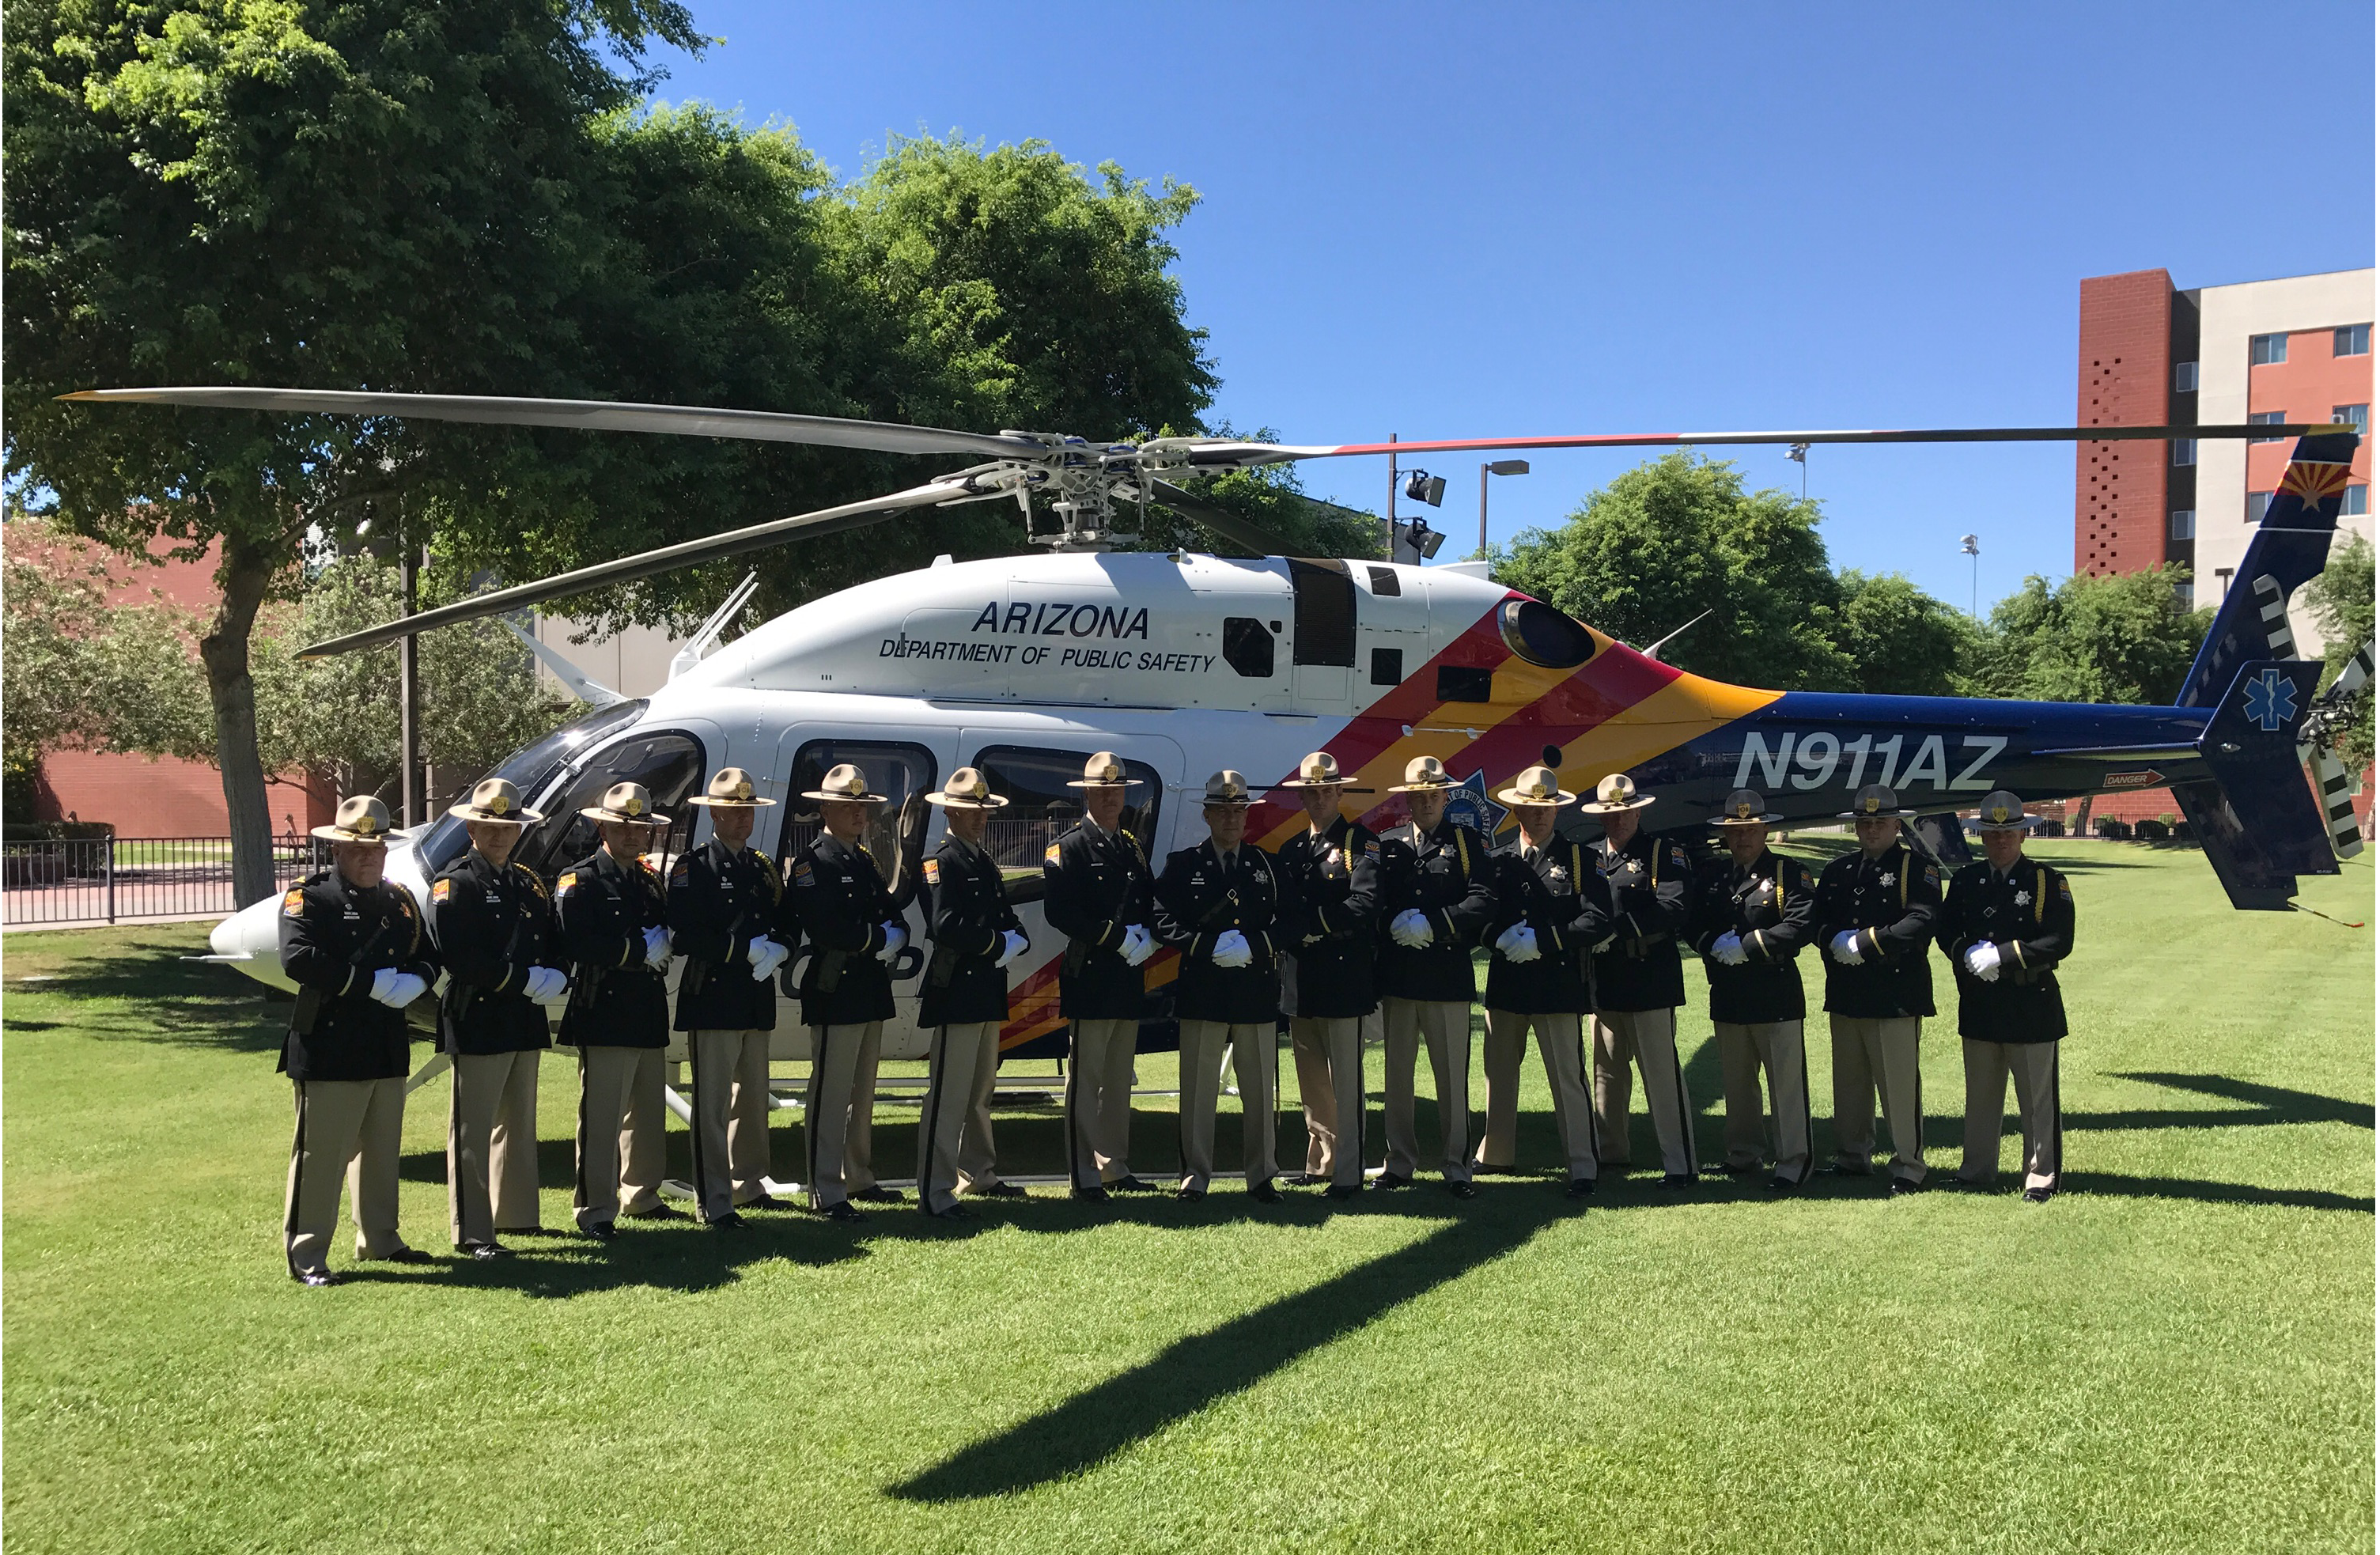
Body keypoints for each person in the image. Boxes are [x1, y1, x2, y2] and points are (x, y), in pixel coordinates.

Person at [277, 795, 440, 1285]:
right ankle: (307, 1254)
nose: (370, 856)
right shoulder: (310, 897)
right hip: (331, 1044)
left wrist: (418, 981)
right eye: (358, 849)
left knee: (381, 1149)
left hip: (385, 1043)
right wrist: (368, 983)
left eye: (377, 848)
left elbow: (429, 954)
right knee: (321, 1155)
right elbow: (298, 958)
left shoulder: (397, 900)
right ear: (337, 851)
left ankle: (381, 1238)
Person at [430, 778, 563, 1258]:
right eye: (490, 825)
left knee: (519, 1122)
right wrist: (520, 980)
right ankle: (472, 1231)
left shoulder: (527, 883)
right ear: (471, 828)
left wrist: (556, 975)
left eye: (509, 826)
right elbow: (460, 956)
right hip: (480, 1017)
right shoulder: (455, 884)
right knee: (473, 1129)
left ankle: (518, 1217)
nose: (501, 834)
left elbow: (553, 942)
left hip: (523, 1018)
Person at [666, 767, 793, 1230]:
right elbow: (684, 935)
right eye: (734, 812)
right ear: (715, 813)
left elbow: (785, 919)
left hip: (754, 995)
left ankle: (750, 1184)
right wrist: (744, 949)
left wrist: (780, 947)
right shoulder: (693, 867)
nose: (743, 820)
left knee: (754, 1099)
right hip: (713, 996)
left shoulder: (760, 867)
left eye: (749, 812)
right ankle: (713, 1199)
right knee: (713, 1104)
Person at [555, 782, 684, 1239]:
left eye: (641, 827)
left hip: (646, 1008)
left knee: (647, 1112)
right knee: (602, 1115)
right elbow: (576, 942)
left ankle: (642, 1195)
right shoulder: (581, 879)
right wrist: (634, 951)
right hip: (603, 1008)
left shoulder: (648, 881)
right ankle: (594, 1208)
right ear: (602, 826)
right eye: (623, 825)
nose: (634, 834)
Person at [1475, 766, 1611, 1196]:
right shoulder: (1496, 860)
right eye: (1530, 808)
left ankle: (1582, 1166)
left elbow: (1598, 918)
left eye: (1546, 808)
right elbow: (1477, 914)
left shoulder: (1580, 860)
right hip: (1507, 984)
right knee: (1498, 1074)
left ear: (1557, 810)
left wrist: (1547, 941)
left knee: (1568, 1077)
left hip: (1556, 986)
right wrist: (1497, 938)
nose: (1539, 816)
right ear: (1516, 809)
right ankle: (1496, 1156)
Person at [1937, 791, 2075, 1203]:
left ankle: (2041, 1176)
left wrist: (2004, 955)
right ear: (1980, 836)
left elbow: (2059, 941)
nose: (2000, 841)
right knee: (1980, 1095)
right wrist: (1966, 953)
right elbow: (1945, 931)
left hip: (2029, 1002)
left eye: (2009, 833)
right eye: (1992, 834)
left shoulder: (2046, 881)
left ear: (2022, 835)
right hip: (1980, 1003)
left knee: (2036, 1100)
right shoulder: (1966, 880)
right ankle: (1976, 1170)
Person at [1153, 770, 1284, 1202]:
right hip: (1203, 989)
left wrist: (1256, 945)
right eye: (1223, 812)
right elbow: (1159, 915)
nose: (1232, 820)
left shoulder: (1266, 865)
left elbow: (1291, 919)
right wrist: (1202, 945)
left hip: (1255, 989)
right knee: (1197, 1090)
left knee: (1260, 1089)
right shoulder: (1183, 865)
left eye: (1239, 811)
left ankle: (1262, 1175)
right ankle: (1195, 1177)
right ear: (1207, 816)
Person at [787, 763, 907, 1221]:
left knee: (862, 1090)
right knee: (831, 1091)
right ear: (826, 808)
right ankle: (825, 1187)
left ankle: (858, 1174)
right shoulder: (811, 861)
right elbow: (825, 926)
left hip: (869, 985)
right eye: (848, 805)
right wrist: (879, 939)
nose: (859, 813)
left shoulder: (862, 858)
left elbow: (887, 906)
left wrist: (894, 930)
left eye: (863, 805)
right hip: (836, 987)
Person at [1375, 755, 1496, 1198]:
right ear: (1407, 798)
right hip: (1401, 975)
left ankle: (1457, 1165)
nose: (1426, 802)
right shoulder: (1387, 845)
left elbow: (1484, 899)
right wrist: (1395, 923)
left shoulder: (1467, 843)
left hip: (1447, 974)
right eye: (1418, 795)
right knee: (1397, 1077)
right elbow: (1373, 899)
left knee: (1451, 1076)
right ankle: (1400, 1163)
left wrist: (1438, 923)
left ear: (1445, 795)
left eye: (1433, 794)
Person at [1042, 751, 1160, 1201]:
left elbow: (1147, 899)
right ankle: (1083, 1172)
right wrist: (1116, 939)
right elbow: (1060, 912)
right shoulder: (1066, 847)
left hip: (1127, 977)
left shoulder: (1130, 846)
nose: (1111, 798)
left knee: (1117, 1076)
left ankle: (1113, 1164)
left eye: (1118, 791)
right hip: (1091, 974)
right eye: (1103, 790)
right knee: (1086, 1078)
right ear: (1088, 793)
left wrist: (1148, 936)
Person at [1814, 782, 1942, 1197]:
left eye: (1880, 822)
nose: (1871, 830)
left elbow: (1922, 919)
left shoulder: (1916, 868)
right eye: (1864, 823)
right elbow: (1816, 919)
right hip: (1848, 991)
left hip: (1895, 991)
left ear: (1897, 826)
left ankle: (1909, 1163)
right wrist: (1833, 939)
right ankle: (1852, 1156)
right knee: (1849, 1083)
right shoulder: (1838, 871)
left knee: (1898, 1085)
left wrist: (1866, 943)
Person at [1690, 789, 1816, 1190]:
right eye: (1735, 831)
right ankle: (1743, 1154)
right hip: (1728, 993)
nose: (1742, 838)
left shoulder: (1788, 873)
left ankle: (1793, 1161)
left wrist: (1746, 946)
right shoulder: (1712, 876)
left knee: (1786, 1085)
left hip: (1774, 991)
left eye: (1750, 829)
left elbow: (1801, 926)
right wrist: (1711, 945)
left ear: (1765, 829)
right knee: (1737, 1083)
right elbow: (1690, 922)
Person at [916, 767, 1028, 1219]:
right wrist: (998, 944)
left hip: (985, 989)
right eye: (969, 809)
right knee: (948, 1093)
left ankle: (978, 1172)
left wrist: (1015, 935)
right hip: (958, 989)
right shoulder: (940, 861)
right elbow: (943, 925)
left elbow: (1003, 912)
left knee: (981, 1089)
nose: (980, 817)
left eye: (983, 809)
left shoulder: (981, 860)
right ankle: (936, 1189)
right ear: (949, 811)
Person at [1580, 773, 1700, 1185]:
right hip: (1604, 980)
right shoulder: (1590, 855)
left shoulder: (1663, 852)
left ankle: (1680, 1164)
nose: (1619, 821)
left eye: (1626, 812)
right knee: (1606, 1076)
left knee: (1661, 1076)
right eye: (1611, 815)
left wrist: (1618, 927)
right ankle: (1611, 1156)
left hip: (1650, 977)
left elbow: (1675, 906)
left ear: (1638, 811)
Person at [1270, 751, 1380, 1199]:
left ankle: (1350, 1170)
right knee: (1311, 1078)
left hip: (1342, 974)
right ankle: (1320, 1162)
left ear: (1339, 792)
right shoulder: (1293, 850)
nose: (1317, 798)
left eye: (1325, 790)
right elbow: (1280, 909)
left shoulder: (1361, 844)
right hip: (1301, 976)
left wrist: (1311, 924)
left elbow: (1365, 904)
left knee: (1346, 1080)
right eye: (1309, 792)